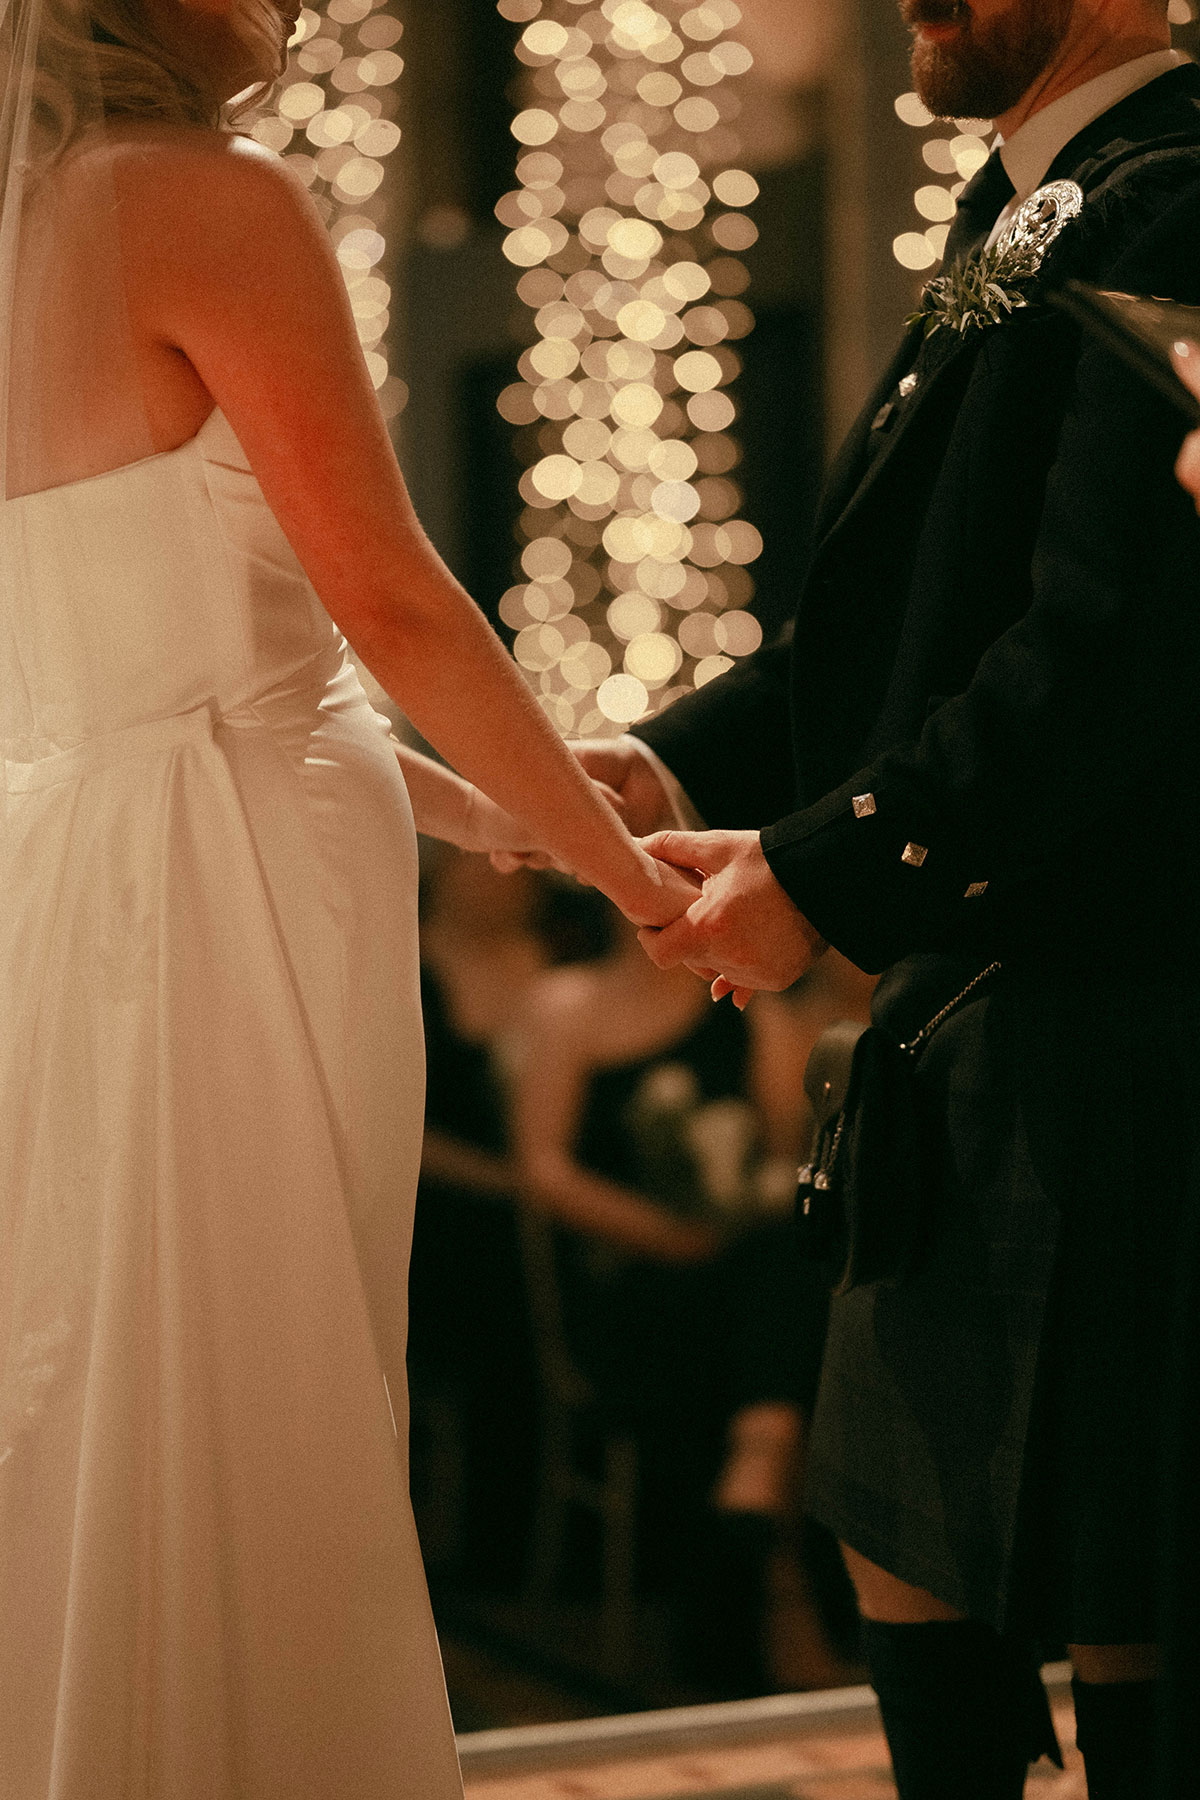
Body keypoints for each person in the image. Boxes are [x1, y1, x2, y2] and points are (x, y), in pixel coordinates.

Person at [0, 1, 697, 1794]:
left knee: (97, 1377)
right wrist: (628, 878)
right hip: (244, 890)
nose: (292, 7)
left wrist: (494, 825)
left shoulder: (21, 223)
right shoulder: (205, 195)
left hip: (63, 865)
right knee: (269, 1379)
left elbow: (158, 658)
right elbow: (380, 604)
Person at [534, 2, 1200, 1794]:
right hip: (988, 1004)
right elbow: (898, 637)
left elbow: (1109, 651)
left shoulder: (1176, 193)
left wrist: (822, 878)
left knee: (1128, 1584)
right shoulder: (1031, 202)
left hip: (1108, 1015)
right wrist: (666, 769)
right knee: (911, 1548)